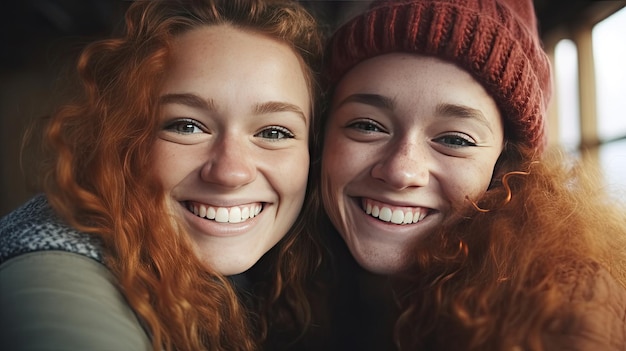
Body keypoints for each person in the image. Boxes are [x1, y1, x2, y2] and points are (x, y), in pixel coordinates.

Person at [0, 0, 323, 350]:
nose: (231, 172)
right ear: (121, 137)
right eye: (186, 126)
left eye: (274, 133)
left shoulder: (266, 275)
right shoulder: (51, 266)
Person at [314, 0, 626, 349]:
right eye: (367, 126)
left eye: (454, 140)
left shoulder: (560, 309)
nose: (401, 171)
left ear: (508, 164)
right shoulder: (286, 271)